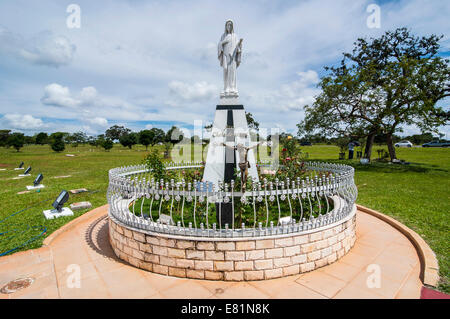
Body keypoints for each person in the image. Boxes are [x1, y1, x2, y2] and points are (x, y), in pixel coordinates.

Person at [218, 19, 243, 97]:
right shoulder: (223, 36)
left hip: (233, 57)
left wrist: (240, 45)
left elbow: (238, 48)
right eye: (228, 25)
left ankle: (232, 88)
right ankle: (226, 88)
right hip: (225, 55)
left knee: (232, 72)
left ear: (232, 26)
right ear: (226, 26)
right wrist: (223, 42)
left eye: (230, 25)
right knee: (225, 70)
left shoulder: (235, 36)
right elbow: (219, 45)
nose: (229, 26)